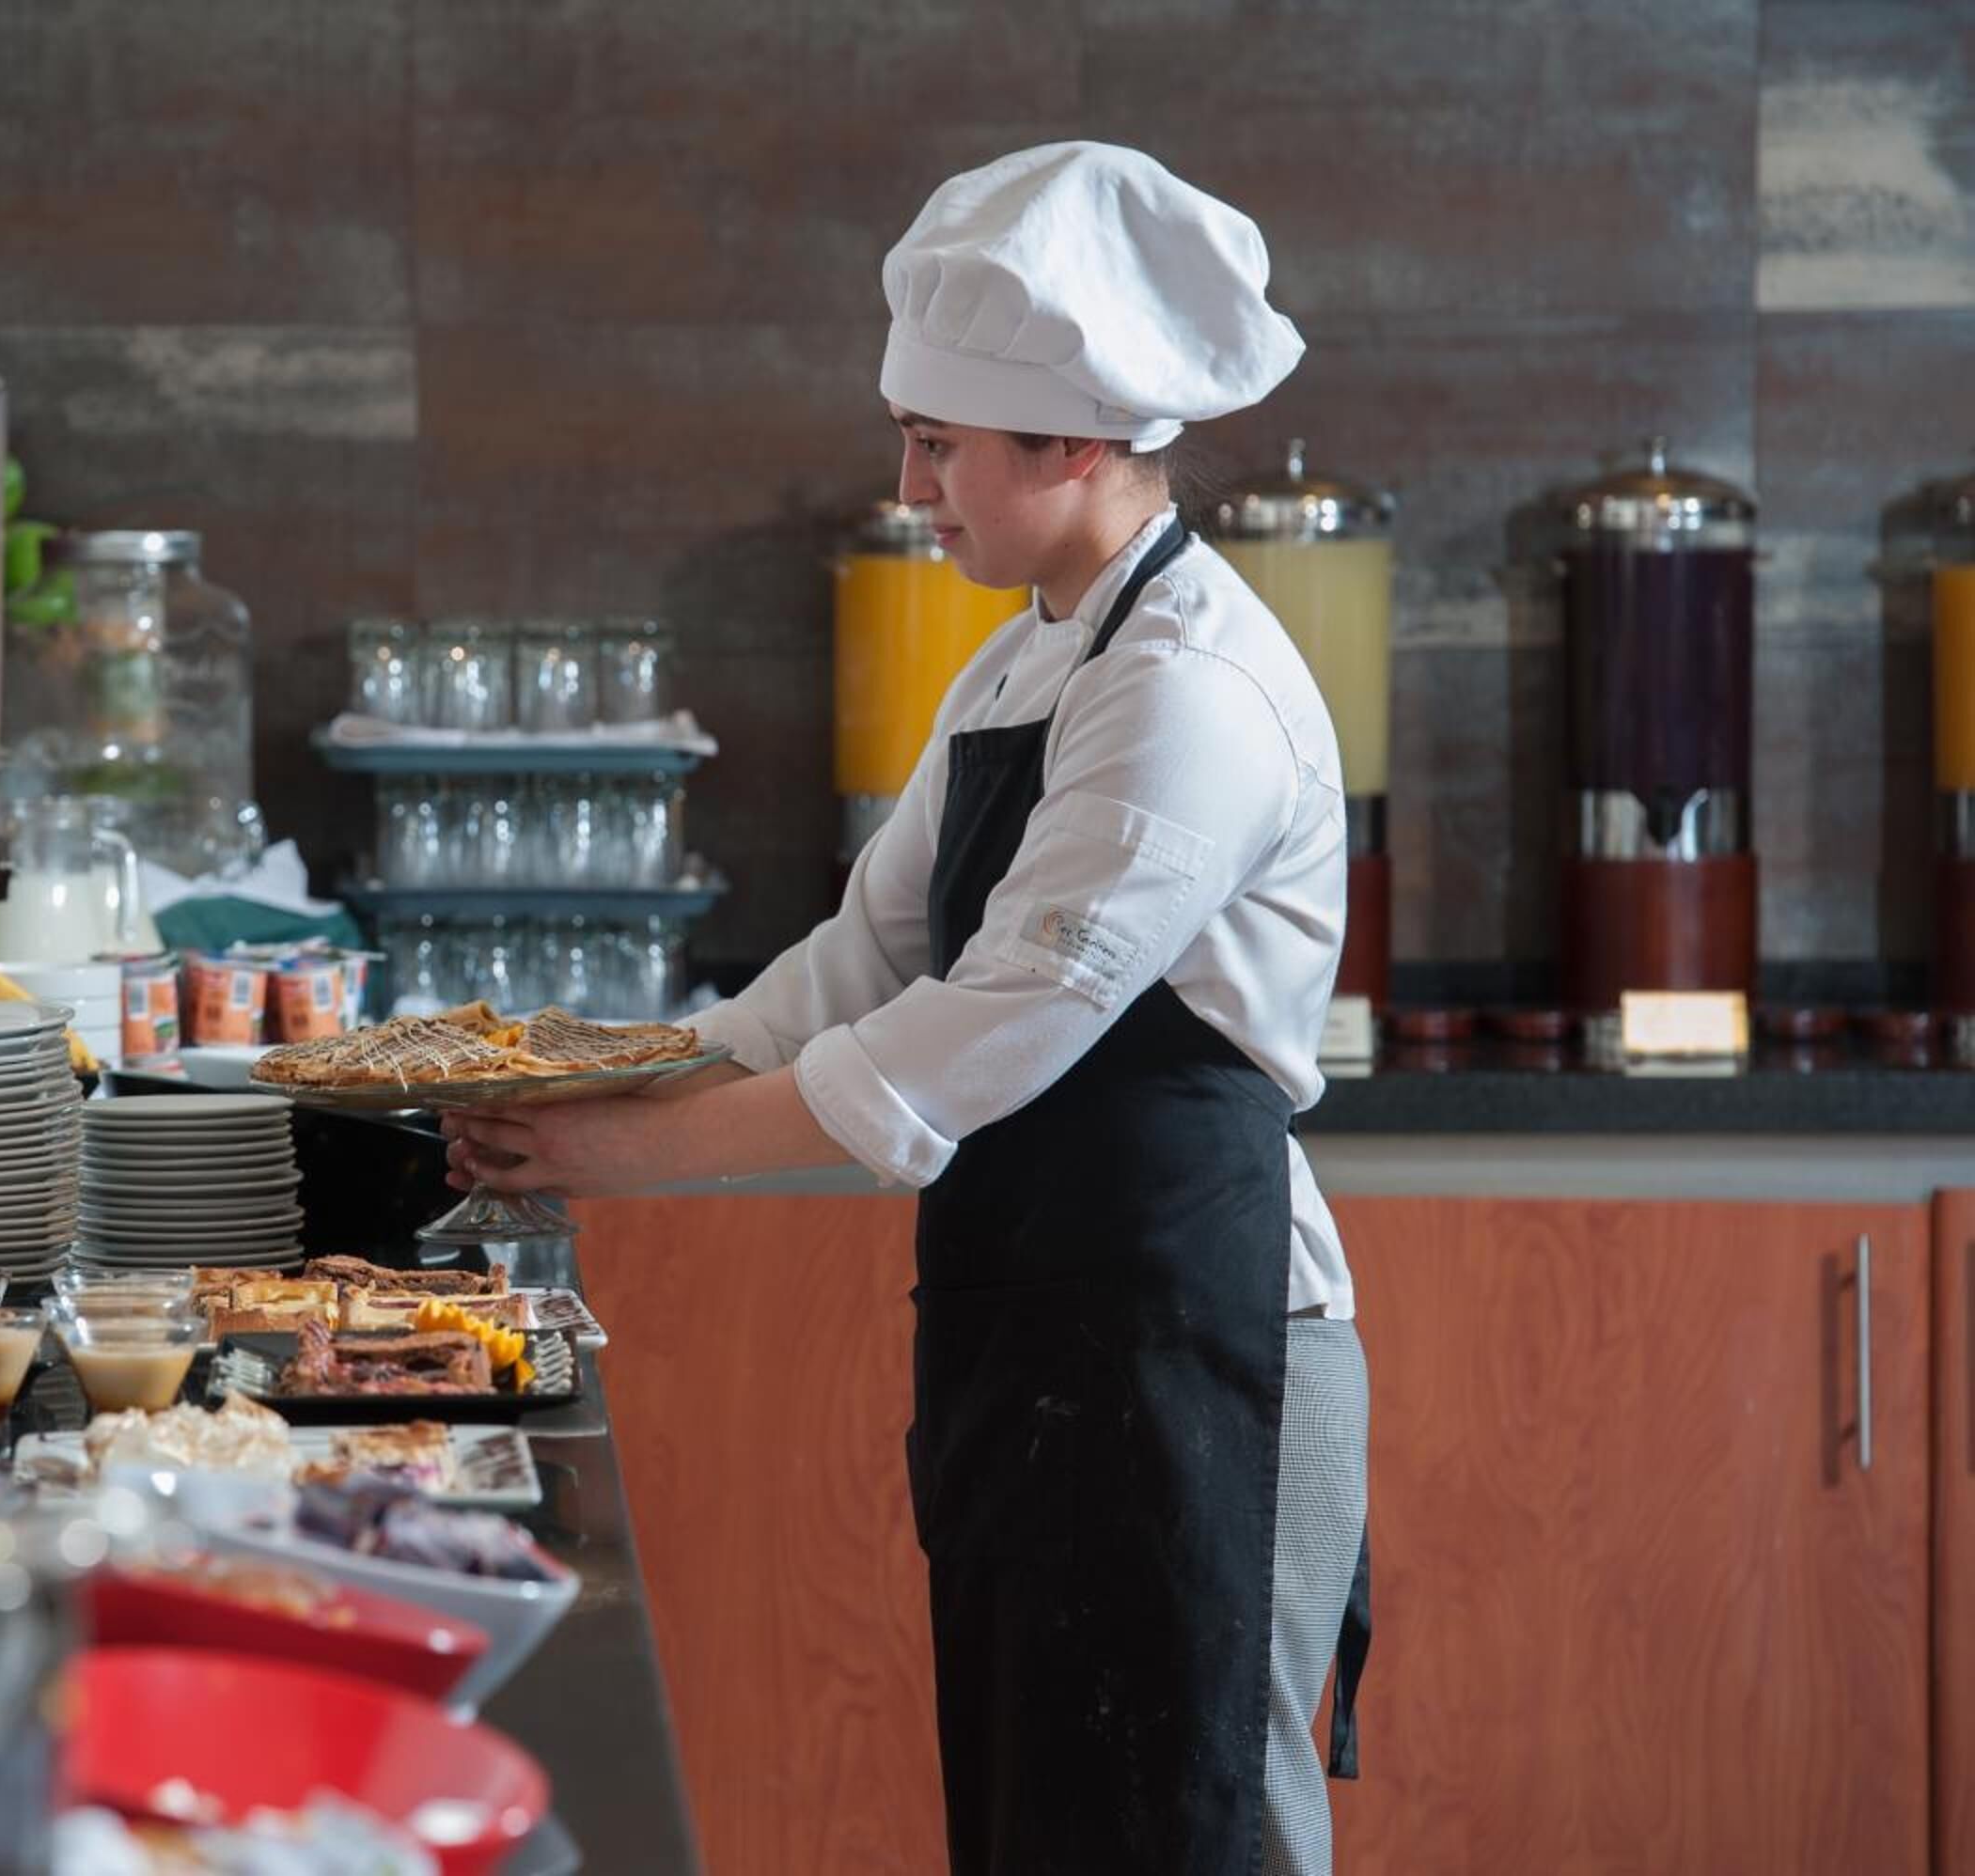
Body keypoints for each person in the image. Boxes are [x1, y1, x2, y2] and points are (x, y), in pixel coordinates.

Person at [442, 143, 1372, 1876]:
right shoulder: (1032, 652)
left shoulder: (1193, 695)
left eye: (940, 443)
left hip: (1203, 1342)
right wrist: (591, 1071)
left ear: (1078, 444)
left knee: (1196, 1822)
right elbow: (856, 967)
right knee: (1041, 1818)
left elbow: (967, 1040)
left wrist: (604, 1157)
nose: (910, 481)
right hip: (1041, 1328)